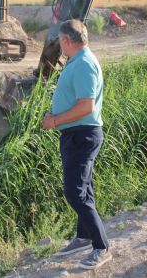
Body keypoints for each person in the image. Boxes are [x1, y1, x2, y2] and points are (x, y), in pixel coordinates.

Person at [42, 19, 111, 270]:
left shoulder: (83, 64)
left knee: (75, 192)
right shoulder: (79, 60)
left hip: (82, 134)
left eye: (60, 42)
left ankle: (102, 247)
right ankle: (83, 237)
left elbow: (86, 106)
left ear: (66, 41)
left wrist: (55, 120)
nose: (60, 46)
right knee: (85, 188)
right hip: (77, 134)